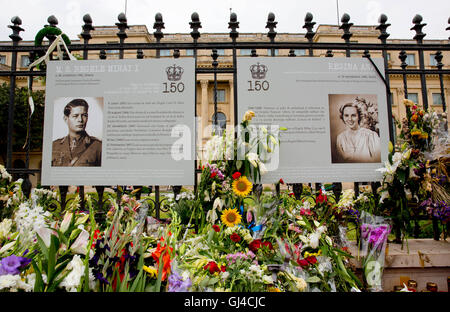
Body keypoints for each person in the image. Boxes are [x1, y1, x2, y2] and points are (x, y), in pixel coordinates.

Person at [52, 98, 102, 167]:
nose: (80, 120)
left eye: (84, 115)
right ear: (66, 119)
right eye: (75, 116)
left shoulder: (98, 147)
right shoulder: (54, 146)